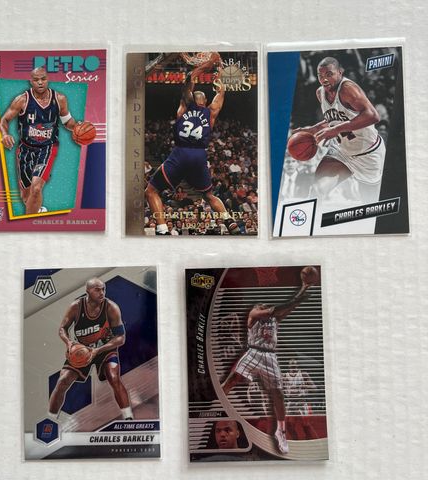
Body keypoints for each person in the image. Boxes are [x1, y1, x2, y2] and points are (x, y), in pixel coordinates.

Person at [145, 53, 240, 235]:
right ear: (205, 101)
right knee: (209, 195)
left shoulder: (183, 108)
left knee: (151, 191)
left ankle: (163, 229)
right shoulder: (211, 112)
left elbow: (189, 79)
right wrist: (219, 69)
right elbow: (221, 91)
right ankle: (229, 221)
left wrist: (203, 66)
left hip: (181, 153)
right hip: (199, 155)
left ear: (189, 99)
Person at [221, 273, 313, 455]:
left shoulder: (274, 320)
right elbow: (277, 309)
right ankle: (218, 408)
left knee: (278, 394)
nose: (261, 306)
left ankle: (281, 431)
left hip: (270, 357)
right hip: (253, 352)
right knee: (231, 380)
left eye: (263, 305)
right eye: (260, 305)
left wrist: (304, 287)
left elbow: (289, 308)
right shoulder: (254, 314)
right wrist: (297, 298)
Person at [294, 57, 385, 202]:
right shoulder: (320, 93)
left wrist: (335, 130)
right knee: (317, 190)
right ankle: (314, 216)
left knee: (369, 202)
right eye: (320, 75)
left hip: (368, 152)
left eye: (329, 74)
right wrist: (314, 129)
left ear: (340, 73)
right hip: (341, 151)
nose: (324, 79)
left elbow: (373, 116)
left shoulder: (347, 89)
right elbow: (334, 119)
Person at [49, 278, 133, 421]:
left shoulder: (111, 307)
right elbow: (62, 328)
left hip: (105, 349)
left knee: (114, 378)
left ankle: (128, 417)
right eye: (97, 289)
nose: (102, 293)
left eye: (103, 289)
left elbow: (121, 338)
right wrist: (69, 343)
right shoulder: (76, 307)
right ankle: (50, 419)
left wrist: (98, 350)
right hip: (83, 351)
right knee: (63, 380)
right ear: (87, 291)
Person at [0, 67, 78, 214]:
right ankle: (36, 211)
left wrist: (78, 128)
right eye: (36, 80)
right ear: (31, 81)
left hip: (48, 148)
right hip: (25, 149)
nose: (40, 82)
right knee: (26, 196)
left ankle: (28, 222)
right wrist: (5, 134)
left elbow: (67, 122)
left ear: (48, 79)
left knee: (36, 188)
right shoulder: (22, 100)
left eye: (43, 79)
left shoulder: (59, 99)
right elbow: (4, 120)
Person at [283, 358, 318, 441]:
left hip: (301, 402)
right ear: (289, 367)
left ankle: (310, 439)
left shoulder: (303, 374)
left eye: (294, 366)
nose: (293, 368)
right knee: (288, 425)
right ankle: (295, 439)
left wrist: (305, 386)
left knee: (306, 424)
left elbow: (315, 388)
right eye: (291, 366)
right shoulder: (284, 376)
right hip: (291, 402)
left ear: (297, 366)